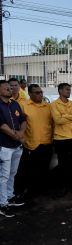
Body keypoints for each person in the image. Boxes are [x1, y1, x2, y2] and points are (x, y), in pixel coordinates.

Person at [15, 84, 53, 200]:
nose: (40, 95)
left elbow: (53, 123)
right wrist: (22, 139)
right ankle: (29, 193)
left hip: (47, 143)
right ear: (30, 94)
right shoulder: (23, 105)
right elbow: (18, 123)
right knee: (30, 171)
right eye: (37, 92)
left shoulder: (48, 106)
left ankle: (43, 190)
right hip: (31, 144)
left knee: (45, 169)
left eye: (41, 92)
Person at [0, 80, 26, 218]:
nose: (10, 90)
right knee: (3, 176)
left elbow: (23, 120)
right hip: (4, 146)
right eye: (6, 88)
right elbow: (2, 125)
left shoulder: (15, 104)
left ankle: (10, 197)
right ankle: (2, 204)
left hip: (16, 146)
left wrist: (21, 133)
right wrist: (17, 136)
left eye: (10, 88)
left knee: (12, 173)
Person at [50, 83, 72, 195]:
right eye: (67, 89)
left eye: (69, 89)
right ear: (60, 91)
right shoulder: (54, 105)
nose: (69, 91)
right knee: (63, 164)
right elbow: (57, 120)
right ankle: (63, 187)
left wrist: (65, 115)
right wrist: (70, 116)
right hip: (61, 139)